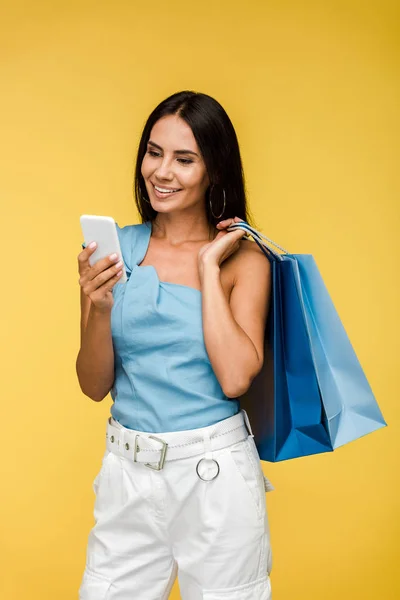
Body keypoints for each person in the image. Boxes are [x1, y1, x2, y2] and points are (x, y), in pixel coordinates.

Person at [76, 90, 274, 600]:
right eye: (154, 152)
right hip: (126, 474)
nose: (162, 172)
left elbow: (234, 377)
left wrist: (208, 267)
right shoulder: (114, 249)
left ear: (214, 169)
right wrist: (98, 308)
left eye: (185, 159)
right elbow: (93, 384)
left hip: (213, 477)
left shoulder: (243, 263)